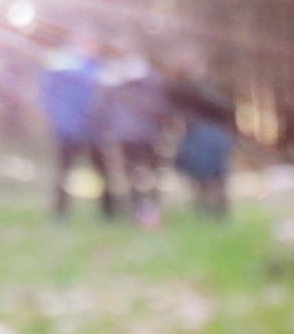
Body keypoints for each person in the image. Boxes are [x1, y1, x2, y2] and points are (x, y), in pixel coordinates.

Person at [37, 28, 112, 218]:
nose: (92, 47)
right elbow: (46, 94)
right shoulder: (62, 63)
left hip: (93, 128)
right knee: (64, 172)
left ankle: (109, 211)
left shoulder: (97, 65)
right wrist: (54, 118)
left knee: (101, 171)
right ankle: (59, 212)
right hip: (67, 128)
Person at [97, 38, 169, 228]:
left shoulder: (115, 77)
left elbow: (158, 105)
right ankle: (145, 212)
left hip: (139, 133)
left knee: (142, 174)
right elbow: (104, 108)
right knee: (140, 174)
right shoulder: (143, 75)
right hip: (133, 133)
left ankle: (146, 211)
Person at [168, 53, 236, 218]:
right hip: (193, 135)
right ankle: (203, 210)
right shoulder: (178, 87)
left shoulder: (210, 84)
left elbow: (224, 107)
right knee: (198, 176)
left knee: (216, 176)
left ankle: (219, 212)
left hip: (212, 135)